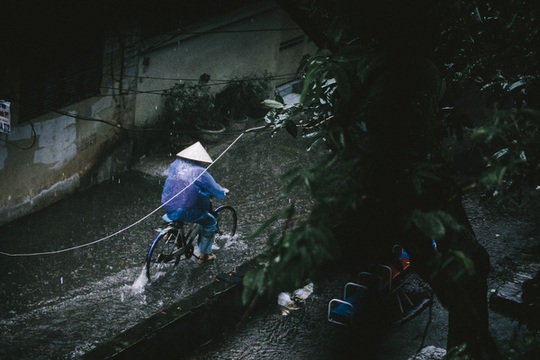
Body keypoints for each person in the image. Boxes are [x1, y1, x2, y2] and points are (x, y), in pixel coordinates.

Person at [161, 141, 228, 264]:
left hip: (169, 203)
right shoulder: (200, 172)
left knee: (175, 213)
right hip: (189, 209)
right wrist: (222, 192)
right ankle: (204, 255)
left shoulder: (175, 165)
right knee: (210, 222)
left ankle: (170, 233)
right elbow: (215, 189)